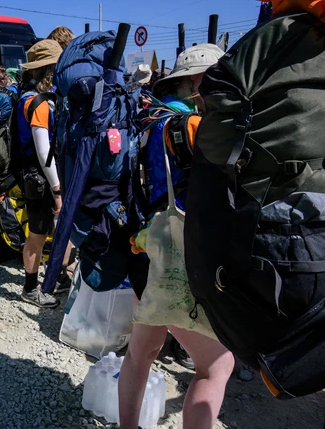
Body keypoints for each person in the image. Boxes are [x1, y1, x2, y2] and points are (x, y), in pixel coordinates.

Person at [118, 44, 235, 429]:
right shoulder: (199, 126)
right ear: (197, 82)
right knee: (215, 366)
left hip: (148, 243)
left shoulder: (151, 117)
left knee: (141, 352)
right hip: (184, 251)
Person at [15, 40, 72, 308]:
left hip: (31, 176)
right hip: (40, 178)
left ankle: (48, 280)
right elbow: (43, 151)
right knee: (37, 234)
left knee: (39, 231)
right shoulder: (38, 103)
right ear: (49, 70)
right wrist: (58, 189)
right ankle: (29, 288)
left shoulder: (24, 96)